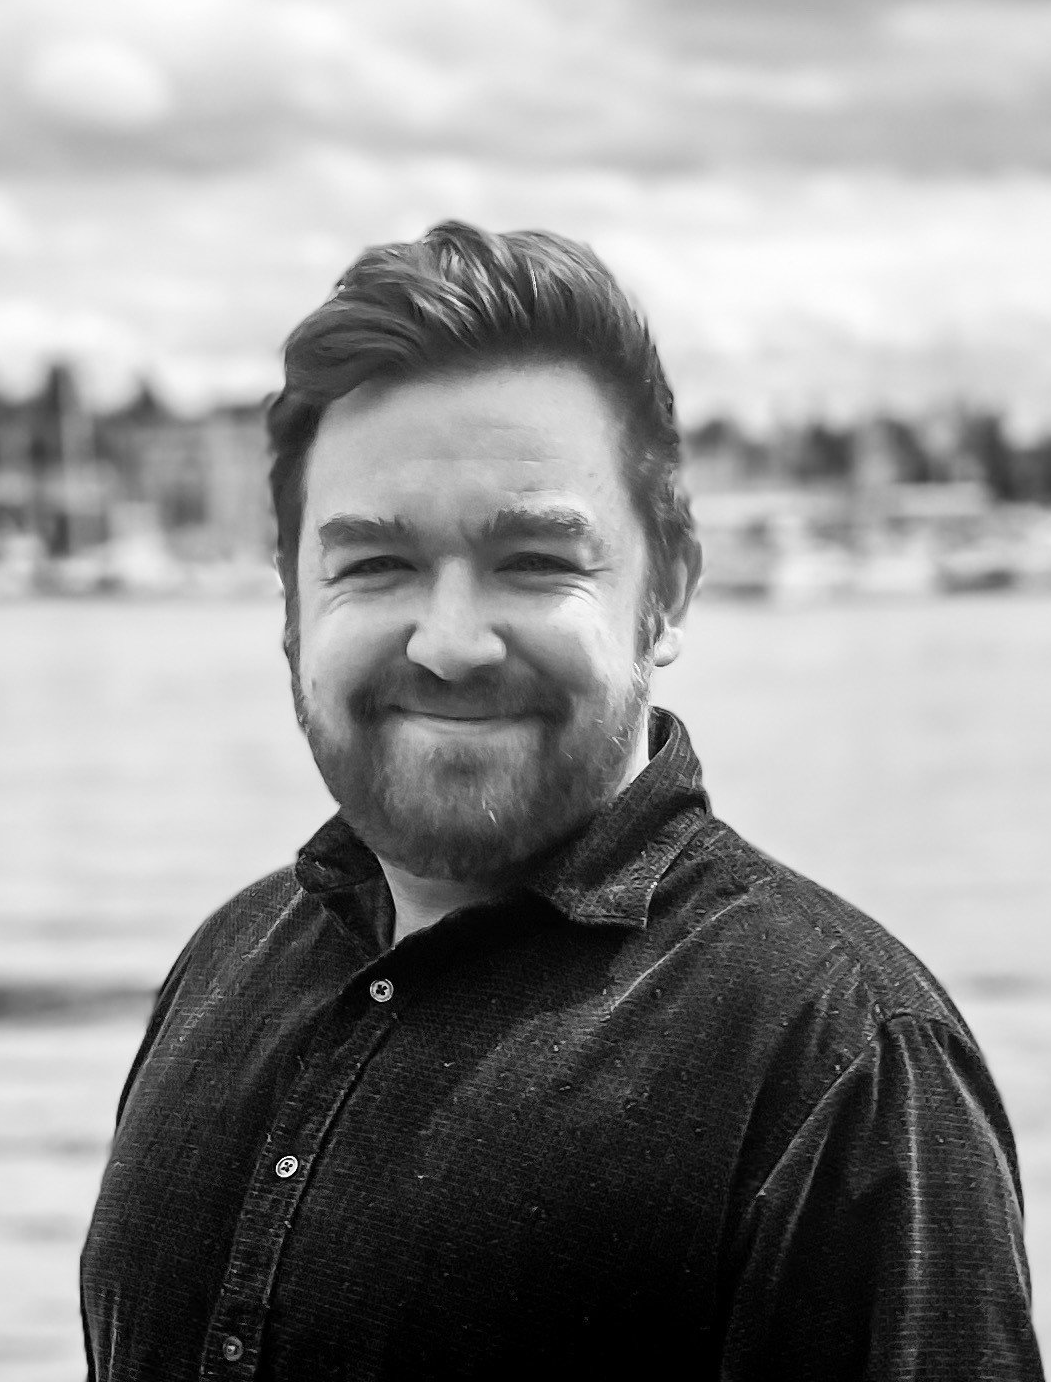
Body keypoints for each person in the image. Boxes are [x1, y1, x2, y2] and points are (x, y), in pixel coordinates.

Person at [81, 220, 1043, 1381]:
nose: (449, 641)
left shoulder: (835, 1059)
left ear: (666, 589)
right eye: (373, 564)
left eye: (535, 561)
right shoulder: (225, 963)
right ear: (290, 604)